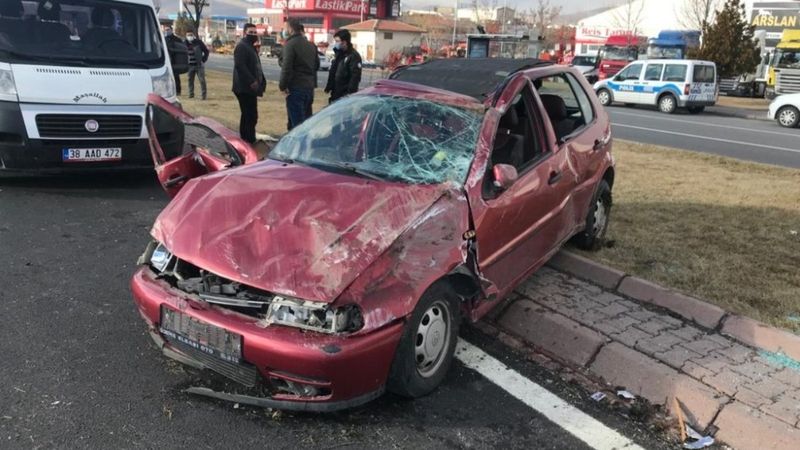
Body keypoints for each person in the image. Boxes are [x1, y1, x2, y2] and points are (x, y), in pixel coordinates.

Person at [278, 19, 317, 130]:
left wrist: (282, 86)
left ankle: (298, 146)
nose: (284, 31)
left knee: (297, 125)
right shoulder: (310, 45)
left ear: (290, 29)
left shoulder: (290, 45)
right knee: (306, 121)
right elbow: (316, 65)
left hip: (295, 87)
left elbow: (286, 68)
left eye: (285, 28)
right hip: (309, 87)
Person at [232, 23, 266, 144]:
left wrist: (262, 80)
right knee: (249, 115)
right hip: (244, 88)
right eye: (250, 33)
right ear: (244, 33)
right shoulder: (242, 46)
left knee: (250, 115)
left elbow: (256, 66)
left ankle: (247, 138)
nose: (253, 35)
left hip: (250, 88)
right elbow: (240, 66)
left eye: (254, 32)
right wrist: (252, 82)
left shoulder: (251, 47)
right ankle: (247, 140)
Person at [325, 29, 362, 104]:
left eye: (337, 41)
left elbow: (355, 78)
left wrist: (349, 94)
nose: (336, 44)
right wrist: (329, 86)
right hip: (335, 93)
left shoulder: (353, 56)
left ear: (344, 42)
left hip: (345, 95)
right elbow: (334, 71)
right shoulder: (339, 55)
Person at [185, 29, 209, 100]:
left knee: (202, 80)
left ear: (193, 35)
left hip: (199, 65)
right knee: (190, 80)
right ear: (186, 36)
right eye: (188, 35)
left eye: (191, 35)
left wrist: (203, 60)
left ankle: (203, 95)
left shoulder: (198, 42)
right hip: (190, 65)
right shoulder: (184, 43)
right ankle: (191, 94)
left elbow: (206, 51)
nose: (189, 36)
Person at [163, 25, 186, 96]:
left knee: (176, 76)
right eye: (165, 30)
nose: (167, 31)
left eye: (168, 29)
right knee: (166, 77)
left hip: (175, 61)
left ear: (171, 30)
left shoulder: (177, 39)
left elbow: (182, 49)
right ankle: (167, 91)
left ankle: (178, 91)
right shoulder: (163, 39)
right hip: (166, 61)